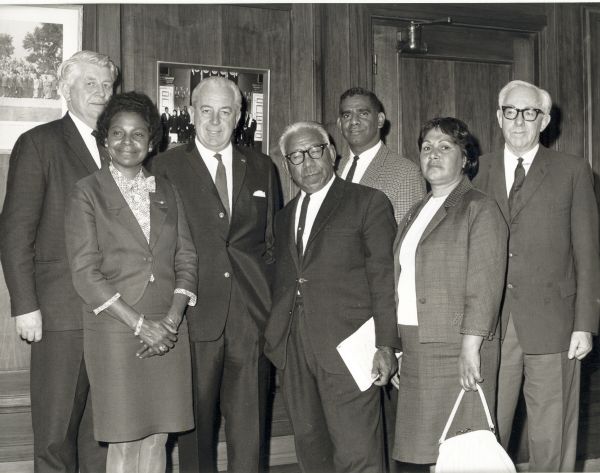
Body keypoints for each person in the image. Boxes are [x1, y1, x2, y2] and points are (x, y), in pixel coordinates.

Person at [151, 76, 280, 473]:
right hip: (193, 315)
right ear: (190, 113)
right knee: (195, 432)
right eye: (205, 110)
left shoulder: (261, 166)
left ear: (239, 116)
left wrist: (269, 313)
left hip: (250, 318)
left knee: (249, 431)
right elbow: (157, 246)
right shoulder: (164, 165)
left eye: (225, 111)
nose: (214, 121)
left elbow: (273, 243)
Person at [64, 91, 197, 473]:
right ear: (104, 140)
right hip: (116, 328)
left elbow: (186, 258)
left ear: (152, 140)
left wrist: (170, 322)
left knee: (158, 437)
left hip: (169, 329)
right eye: (118, 134)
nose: (127, 143)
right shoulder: (87, 191)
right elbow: (85, 272)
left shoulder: (167, 191)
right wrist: (140, 325)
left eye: (138, 134)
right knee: (124, 439)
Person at [473, 80, 600, 472]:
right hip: (492, 322)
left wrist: (585, 325)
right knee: (487, 430)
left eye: (530, 113)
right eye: (511, 111)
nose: (519, 121)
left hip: (555, 323)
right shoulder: (477, 170)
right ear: (499, 117)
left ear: (544, 121)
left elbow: (588, 253)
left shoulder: (573, 171)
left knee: (552, 435)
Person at [0, 50, 117, 473]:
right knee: (55, 436)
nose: (102, 93)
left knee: (100, 434)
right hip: (59, 314)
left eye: (107, 85)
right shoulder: (39, 143)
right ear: (65, 90)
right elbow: (15, 232)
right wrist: (25, 306)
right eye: (91, 84)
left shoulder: (121, 146)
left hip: (114, 316)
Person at [265, 121, 399, 473]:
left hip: (351, 346)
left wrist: (386, 344)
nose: (307, 163)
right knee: (312, 450)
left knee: (358, 452)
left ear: (332, 153)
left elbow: (385, 278)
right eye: (295, 156)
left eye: (314, 151)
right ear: (286, 165)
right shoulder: (282, 217)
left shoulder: (368, 202)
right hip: (294, 348)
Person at [391, 117, 507, 468]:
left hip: (458, 349)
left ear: (465, 157)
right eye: (426, 148)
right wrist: (398, 346)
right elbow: (403, 282)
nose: (433, 155)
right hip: (415, 346)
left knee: (462, 457)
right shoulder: (415, 211)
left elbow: (484, 285)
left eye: (445, 147)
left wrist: (470, 349)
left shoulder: (480, 207)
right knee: (419, 455)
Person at [337, 87, 426, 223]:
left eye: (363, 114)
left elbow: (408, 237)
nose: (354, 121)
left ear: (380, 120)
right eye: (347, 115)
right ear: (339, 124)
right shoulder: (333, 169)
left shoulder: (406, 173)